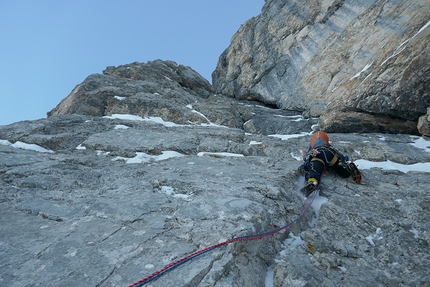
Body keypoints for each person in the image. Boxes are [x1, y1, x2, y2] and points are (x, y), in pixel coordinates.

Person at [300, 131, 362, 197]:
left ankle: (312, 182)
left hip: (318, 156)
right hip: (330, 155)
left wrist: (304, 167)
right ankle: (348, 167)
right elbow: (340, 155)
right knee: (341, 171)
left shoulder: (312, 147)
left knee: (315, 171)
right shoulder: (329, 146)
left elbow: (307, 159)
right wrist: (344, 161)